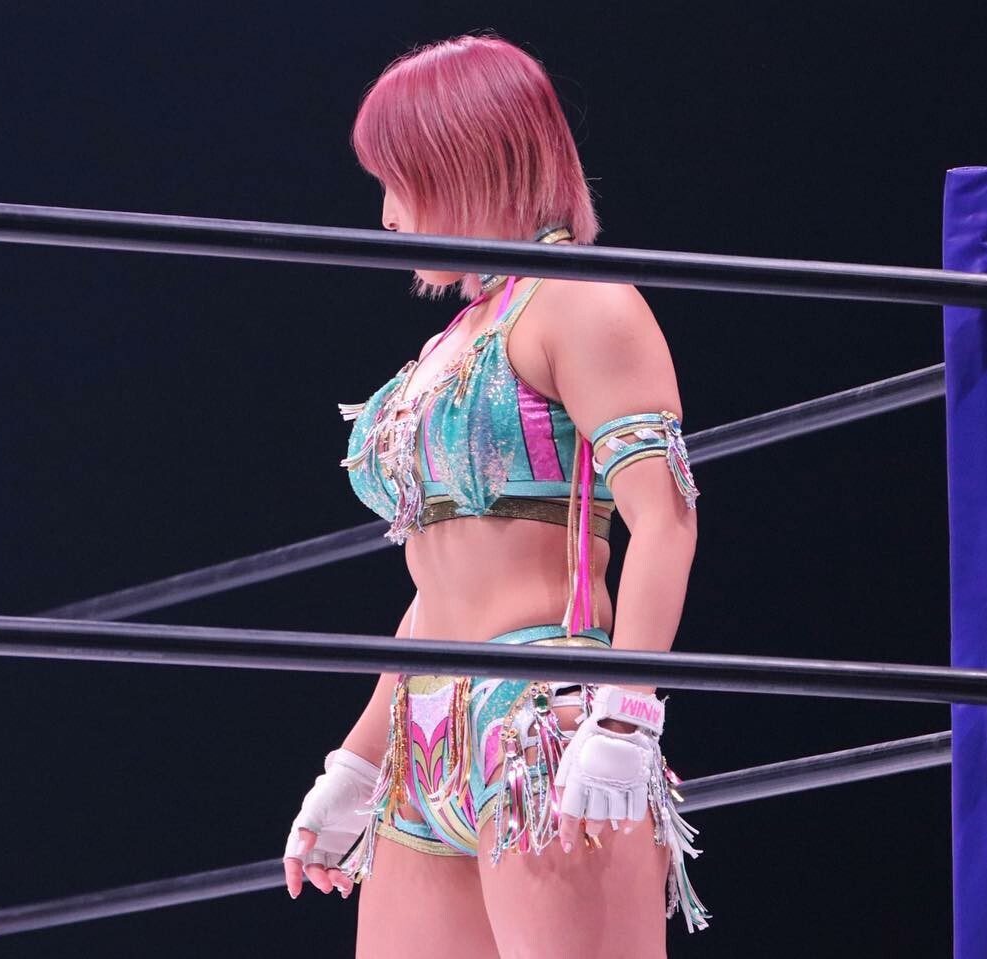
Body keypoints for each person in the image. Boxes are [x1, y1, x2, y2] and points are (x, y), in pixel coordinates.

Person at [281, 33, 708, 957]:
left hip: (540, 716)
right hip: (424, 733)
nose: (388, 215)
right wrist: (356, 761)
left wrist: (627, 710)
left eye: (400, 181)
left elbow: (665, 518)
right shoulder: (458, 338)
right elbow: (439, 584)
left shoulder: (581, 301)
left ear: (463, 161)